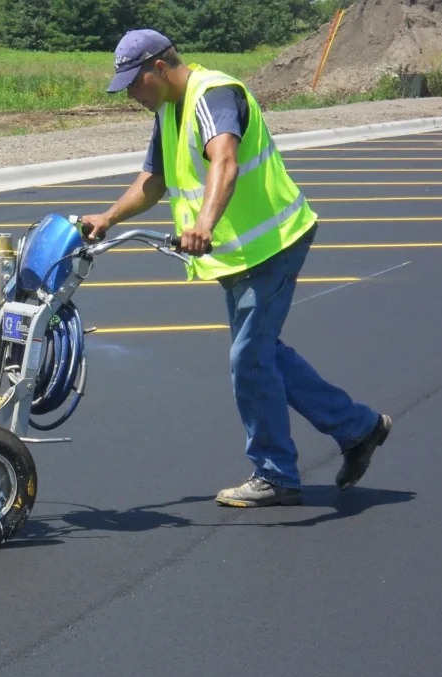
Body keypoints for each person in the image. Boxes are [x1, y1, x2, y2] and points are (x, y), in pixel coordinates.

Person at [81, 29, 391, 507]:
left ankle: (276, 474)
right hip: (240, 254)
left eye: (134, 83)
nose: (131, 94)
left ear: (160, 68)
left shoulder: (215, 95)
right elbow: (155, 179)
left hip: (273, 244)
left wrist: (204, 222)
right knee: (264, 353)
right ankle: (359, 428)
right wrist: (107, 217)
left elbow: (224, 160)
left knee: (248, 358)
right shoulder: (168, 110)